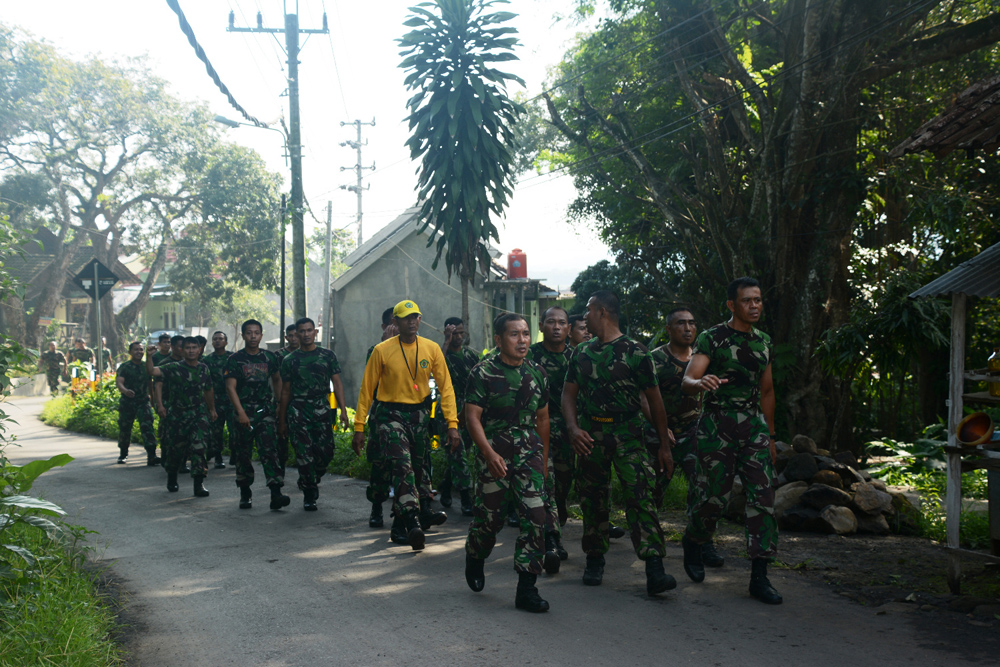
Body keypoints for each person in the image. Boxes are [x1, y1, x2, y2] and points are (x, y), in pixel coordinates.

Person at [562, 291, 677, 597]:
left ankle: (655, 569)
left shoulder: (636, 352)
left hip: (629, 436)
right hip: (591, 437)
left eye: (588, 310)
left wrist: (664, 445)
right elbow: (568, 395)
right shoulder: (581, 353)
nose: (584, 316)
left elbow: (655, 401)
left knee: (641, 498)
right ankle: (594, 559)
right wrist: (573, 429)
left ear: (602, 312)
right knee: (592, 499)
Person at [681, 277, 782, 605]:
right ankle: (694, 540)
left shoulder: (764, 341)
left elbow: (767, 391)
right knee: (714, 499)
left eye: (758, 300)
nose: (754, 306)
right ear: (731, 305)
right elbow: (688, 379)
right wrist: (700, 383)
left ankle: (760, 575)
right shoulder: (712, 338)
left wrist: (770, 435)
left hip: (753, 426)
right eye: (747, 301)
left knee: (763, 498)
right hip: (716, 425)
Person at [352, 300, 459, 550]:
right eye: (405, 318)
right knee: (403, 466)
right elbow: (367, 390)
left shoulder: (431, 349)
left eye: (415, 317)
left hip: (419, 415)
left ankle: (400, 525)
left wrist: (452, 424)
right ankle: (412, 520)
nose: (411, 322)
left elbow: (446, 388)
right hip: (390, 415)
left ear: (420, 320)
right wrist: (359, 427)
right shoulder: (382, 350)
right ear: (395, 322)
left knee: (419, 468)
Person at [464, 313, 551, 613]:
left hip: (530, 455)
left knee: (536, 517)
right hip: (494, 455)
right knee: (490, 521)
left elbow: (542, 418)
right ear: (499, 340)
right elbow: (472, 417)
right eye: (514, 334)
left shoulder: (537, 372)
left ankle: (527, 588)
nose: (522, 340)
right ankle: (475, 555)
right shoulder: (483, 372)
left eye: (526, 334)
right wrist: (488, 454)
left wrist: (545, 462)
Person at [645, 308, 724, 570]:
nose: (687, 328)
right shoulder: (654, 359)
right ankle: (650, 545)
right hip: (659, 435)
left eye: (692, 323)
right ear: (668, 329)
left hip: (693, 432)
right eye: (680, 324)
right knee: (652, 491)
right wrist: (659, 427)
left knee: (704, 489)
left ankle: (703, 542)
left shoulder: (703, 360)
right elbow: (641, 395)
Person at [277, 318, 350, 511]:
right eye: (302, 331)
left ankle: (312, 477)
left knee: (326, 452)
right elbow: (285, 391)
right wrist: (282, 420)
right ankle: (309, 493)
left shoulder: (327, 355)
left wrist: (343, 410)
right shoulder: (289, 360)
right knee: (304, 454)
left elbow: (337, 384)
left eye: (310, 330)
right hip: (298, 410)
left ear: (315, 333)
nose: (306, 334)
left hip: (322, 408)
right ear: (297, 334)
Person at [527, 306, 573, 572]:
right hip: (537, 427)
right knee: (548, 481)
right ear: (541, 325)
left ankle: (556, 517)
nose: (556, 327)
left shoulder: (577, 356)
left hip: (568, 429)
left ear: (568, 328)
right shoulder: (529, 354)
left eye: (562, 322)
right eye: (551, 322)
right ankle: (551, 539)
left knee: (565, 482)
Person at [225, 320, 289, 511]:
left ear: (262, 335)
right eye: (249, 333)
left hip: (264, 413)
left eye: (256, 333)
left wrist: (279, 405)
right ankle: (245, 492)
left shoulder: (270, 357)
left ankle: (276, 493)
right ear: (243, 336)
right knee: (243, 454)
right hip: (242, 414)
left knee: (270, 451)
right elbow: (230, 387)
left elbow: (277, 379)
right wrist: (241, 413)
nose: (253, 336)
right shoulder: (235, 359)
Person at [146, 338, 218, 497]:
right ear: (181, 350)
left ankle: (198, 484)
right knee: (175, 450)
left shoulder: (204, 369)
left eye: (194, 347)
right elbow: (153, 372)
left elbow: (208, 390)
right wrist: (149, 357)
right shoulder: (173, 367)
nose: (191, 350)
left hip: (198, 414)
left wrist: (212, 409)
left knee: (199, 448)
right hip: (177, 415)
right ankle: (172, 476)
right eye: (187, 348)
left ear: (199, 350)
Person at [440, 316, 478, 516]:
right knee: (458, 453)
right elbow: (435, 368)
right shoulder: (443, 354)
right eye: (455, 333)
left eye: (462, 333)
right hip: (449, 409)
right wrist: (446, 342)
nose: (459, 337)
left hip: (470, 409)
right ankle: (466, 497)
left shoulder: (471, 356)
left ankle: (446, 487)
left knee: (459, 455)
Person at [365, 307, 397, 528]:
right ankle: (376, 507)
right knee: (380, 464)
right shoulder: (375, 351)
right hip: (382, 415)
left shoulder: (415, 347)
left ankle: (404, 514)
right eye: (394, 324)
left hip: (409, 415)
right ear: (385, 327)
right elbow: (372, 384)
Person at [115, 342, 159, 466]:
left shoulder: (147, 366)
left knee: (147, 427)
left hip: (143, 401)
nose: (139, 352)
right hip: (127, 402)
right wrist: (125, 391)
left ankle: (152, 455)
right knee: (125, 428)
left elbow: (150, 383)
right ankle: (123, 453)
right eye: (136, 350)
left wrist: (153, 399)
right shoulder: (125, 367)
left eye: (141, 350)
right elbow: (119, 382)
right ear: (130, 352)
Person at [154, 335, 187, 474]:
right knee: (168, 434)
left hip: (185, 405)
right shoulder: (165, 364)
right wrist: (160, 404)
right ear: (173, 347)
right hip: (169, 404)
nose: (183, 349)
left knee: (185, 435)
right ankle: (167, 458)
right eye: (180, 346)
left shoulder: (189, 363)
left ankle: (183, 463)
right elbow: (158, 385)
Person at [203, 331, 232, 470]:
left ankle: (236, 455)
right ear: (212, 342)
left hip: (232, 399)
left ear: (226, 342)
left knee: (235, 429)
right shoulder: (207, 361)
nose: (218, 341)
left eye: (221, 339)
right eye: (215, 339)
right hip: (216, 400)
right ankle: (218, 457)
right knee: (216, 430)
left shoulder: (233, 358)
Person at [274, 324, 300, 468]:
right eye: (291, 335)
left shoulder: (308, 354)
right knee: (281, 437)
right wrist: (278, 402)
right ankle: (280, 472)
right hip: (282, 400)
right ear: (286, 337)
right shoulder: (278, 356)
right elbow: (275, 379)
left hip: (300, 401)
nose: (294, 338)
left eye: (297, 334)